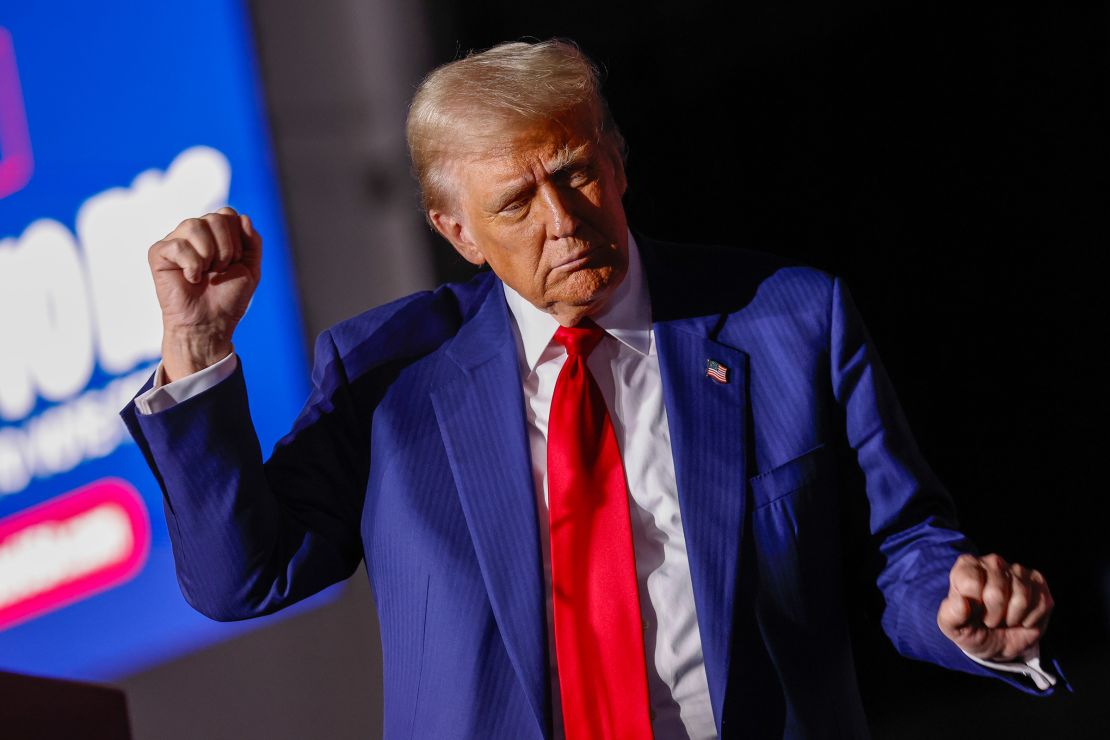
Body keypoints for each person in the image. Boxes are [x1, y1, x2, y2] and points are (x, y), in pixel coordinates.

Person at [122, 39, 1063, 739]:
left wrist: (965, 615)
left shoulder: (788, 320)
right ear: (457, 231)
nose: (563, 220)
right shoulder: (390, 376)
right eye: (515, 204)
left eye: (573, 173)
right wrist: (197, 345)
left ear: (617, 163)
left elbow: (907, 547)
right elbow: (242, 579)